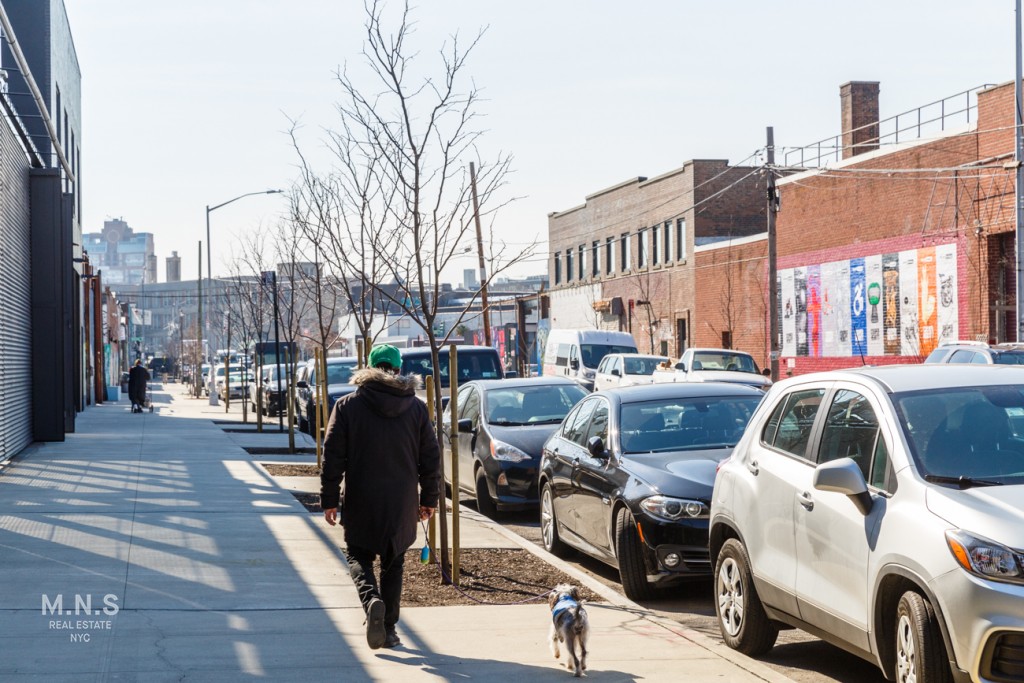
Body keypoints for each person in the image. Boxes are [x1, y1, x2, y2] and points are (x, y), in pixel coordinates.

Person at [320, 343, 441, 650]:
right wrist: (429, 499)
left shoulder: (347, 406)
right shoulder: (416, 409)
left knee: (358, 555)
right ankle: (388, 629)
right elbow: (430, 458)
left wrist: (329, 499)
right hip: (401, 501)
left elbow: (332, 457)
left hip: (362, 497)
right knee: (394, 561)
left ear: (370, 368)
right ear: (398, 370)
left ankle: (371, 600)